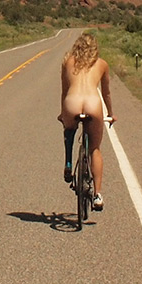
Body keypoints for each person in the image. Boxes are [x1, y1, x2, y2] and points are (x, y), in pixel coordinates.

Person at [58, 32, 112, 211]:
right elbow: (106, 93)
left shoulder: (67, 62)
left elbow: (65, 91)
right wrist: (110, 113)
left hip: (72, 102)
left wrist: (62, 113)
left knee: (69, 130)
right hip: (92, 103)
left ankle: (67, 163)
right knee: (95, 149)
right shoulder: (102, 64)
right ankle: (97, 195)